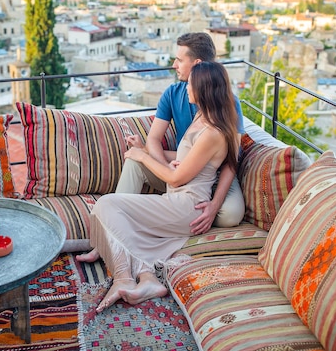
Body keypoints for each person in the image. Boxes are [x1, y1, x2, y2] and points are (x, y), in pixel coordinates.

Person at [86, 61, 241, 313]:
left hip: (186, 205)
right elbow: (188, 163)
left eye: (190, 83)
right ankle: (146, 278)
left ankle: (125, 277)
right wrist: (150, 150)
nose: (186, 86)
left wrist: (142, 156)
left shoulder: (214, 131)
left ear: (203, 88)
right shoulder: (202, 117)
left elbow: (176, 179)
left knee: (106, 204)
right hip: (178, 200)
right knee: (113, 213)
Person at [76, 33, 245, 263]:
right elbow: (154, 140)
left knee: (230, 215)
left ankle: (178, 219)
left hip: (214, 173)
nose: (174, 64)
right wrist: (166, 168)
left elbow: (231, 161)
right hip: (181, 168)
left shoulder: (226, 102)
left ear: (197, 65)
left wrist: (214, 205)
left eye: (179, 59)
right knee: (136, 160)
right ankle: (108, 236)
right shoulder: (173, 93)